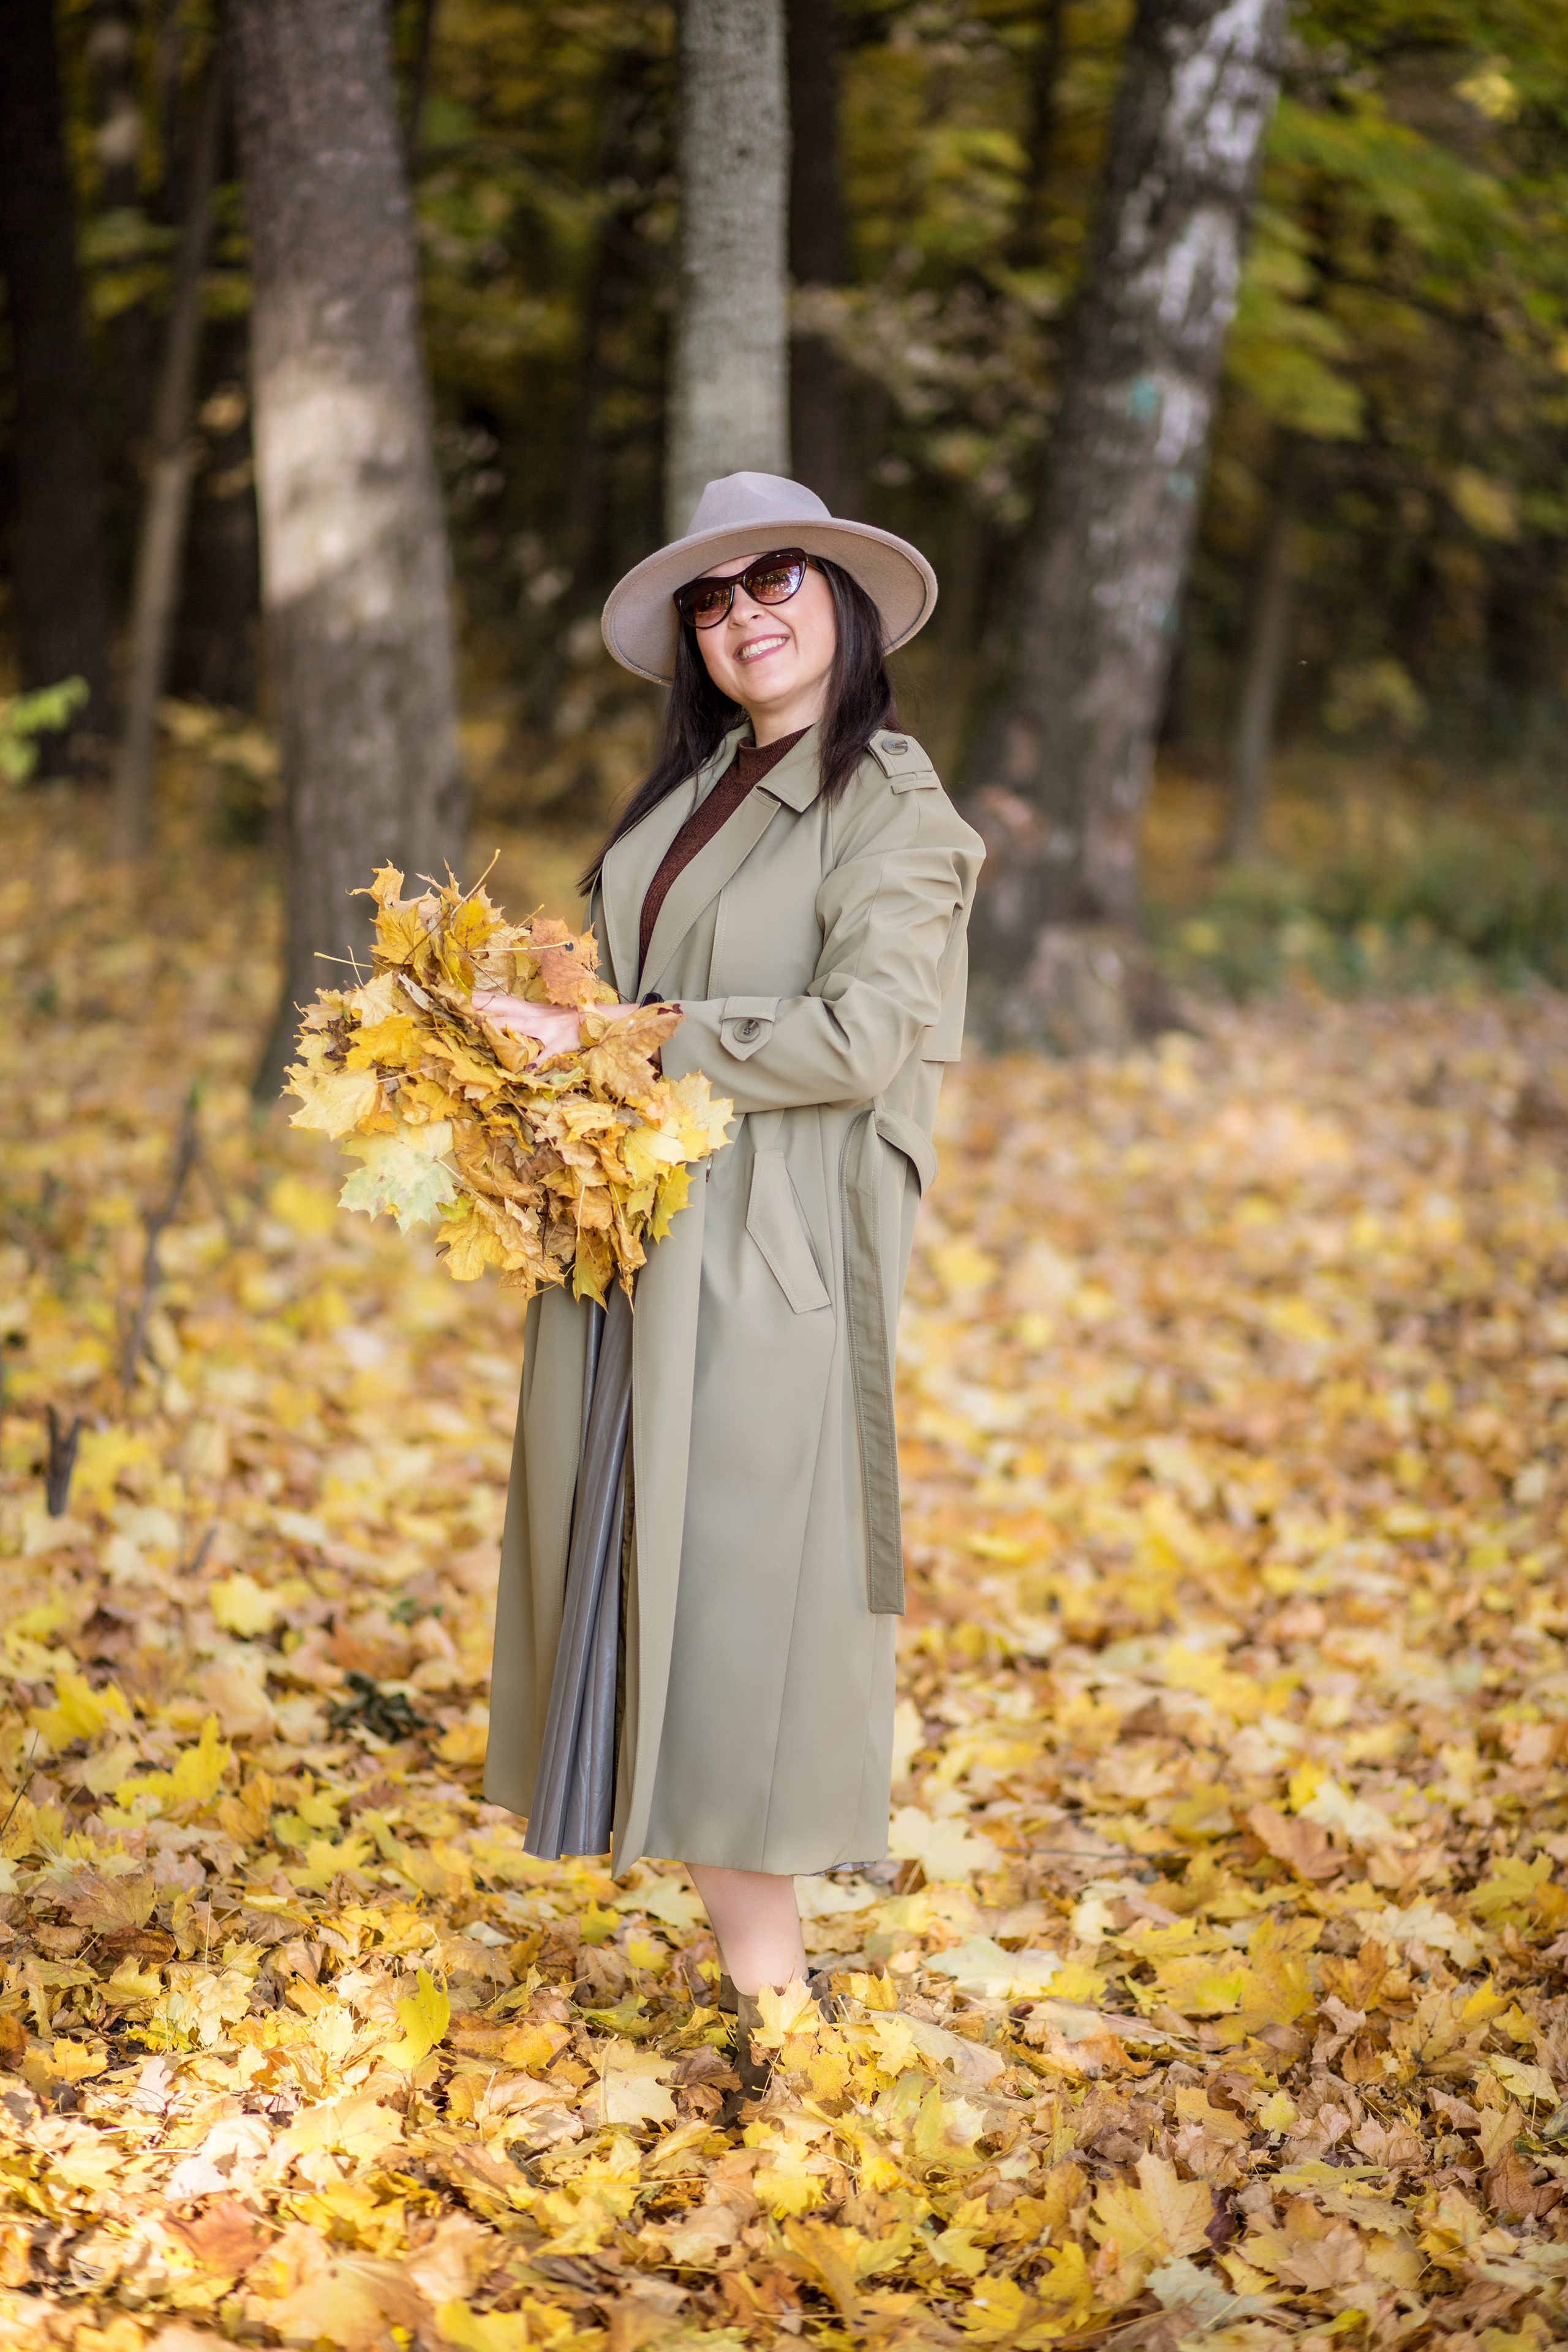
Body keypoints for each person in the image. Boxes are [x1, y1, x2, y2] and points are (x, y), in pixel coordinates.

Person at [477, 470, 983, 2093]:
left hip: (769, 1252)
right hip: (639, 1229)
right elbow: (632, 987)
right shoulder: (698, 783)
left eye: (776, 580)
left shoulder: (892, 804)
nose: (743, 614)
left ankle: (785, 2035)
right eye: (713, 598)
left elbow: (863, 1035)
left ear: (840, 599)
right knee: (643, 1584)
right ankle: (764, 2001)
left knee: (734, 1611)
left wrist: (624, 1044)